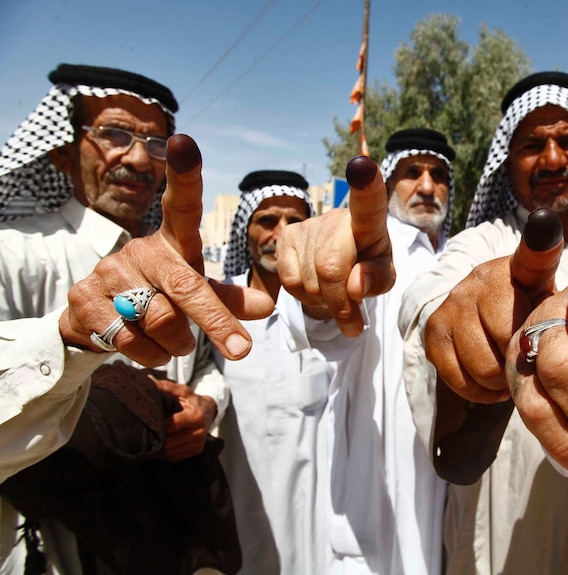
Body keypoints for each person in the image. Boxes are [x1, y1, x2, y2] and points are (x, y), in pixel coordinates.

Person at [278, 71, 568, 574]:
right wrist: (463, 324)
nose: (551, 159)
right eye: (531, 145)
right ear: (507, 161)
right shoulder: (481, 242)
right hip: (484, 528)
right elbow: (427, 301)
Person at [0, 64, 228, 573]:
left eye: (154, 144)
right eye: (114, 134)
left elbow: (209, 363)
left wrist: (208, 406)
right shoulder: (13, 253)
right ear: (62, 150)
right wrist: (68, 341)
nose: (136, 158)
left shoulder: (183, 263)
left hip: (172, 526)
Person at [276, 128, 456, 574]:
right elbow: (320, 324)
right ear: (391, 183)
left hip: (443, 478)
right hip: (372, 485)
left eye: (438, 175)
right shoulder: (372, 248)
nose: (428, 187)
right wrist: (320, 295)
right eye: (412, 173)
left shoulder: (457, 257)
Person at [215, 170, 332, 574]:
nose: (281, 234)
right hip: (240, 495)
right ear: (245, 228)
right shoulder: (215, 302)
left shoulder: (329, 311)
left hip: (316, 511)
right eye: (267, 220)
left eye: (295, 223)